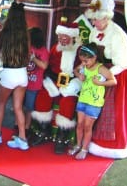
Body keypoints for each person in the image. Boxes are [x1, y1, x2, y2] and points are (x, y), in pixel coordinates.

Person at [84, 0, 127, 159]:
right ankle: (92, 139)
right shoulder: (95, 30)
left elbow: (122, 63)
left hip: (117, 75)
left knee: (111, 111)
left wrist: (104, 77)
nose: (93, 23)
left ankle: (112, 145)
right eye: (92, 19)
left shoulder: (117, 35)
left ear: (106, 17)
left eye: (96, 19)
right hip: (100, 70)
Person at [30, 17, 82, 153]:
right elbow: (49, 66)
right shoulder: (55, 48)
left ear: (72, 36)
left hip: (70, 82)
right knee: (43, 95)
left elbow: (82, 70)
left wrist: (74, 82)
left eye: (65, 36)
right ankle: (43, 130)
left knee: (68, 101)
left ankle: (62, 136)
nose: (62, 38)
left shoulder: (79, 50)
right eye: (60, 35)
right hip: (53, 79)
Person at [0, 2, 30, 150]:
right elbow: (28, 55)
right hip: (22, 73)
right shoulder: (26, 34)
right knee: (18, 107)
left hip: (8, 73)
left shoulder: (2, 33)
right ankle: (23, 139)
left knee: (1, 104)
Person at [68, 42, 117, 160]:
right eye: (82, 61)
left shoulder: (101, 68)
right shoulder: (84, 65)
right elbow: (75, 70)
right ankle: (78, 145)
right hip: (83, 99)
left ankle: (84, 149)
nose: (84, 64)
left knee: (87, 126)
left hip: (94, 103)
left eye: (86, 61)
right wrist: (79, 75)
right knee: (79, 124)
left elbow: (113, 81)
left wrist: (100, 83)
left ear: (94, 57)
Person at [24, 27, 49, 142]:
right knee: (19, 106)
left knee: (29, 107)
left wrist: (33, 58)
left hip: (34, 84)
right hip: (23, 82)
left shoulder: (43, 51)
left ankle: (27, 128)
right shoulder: (28, 47)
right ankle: (18, 125)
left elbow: (44, 66)